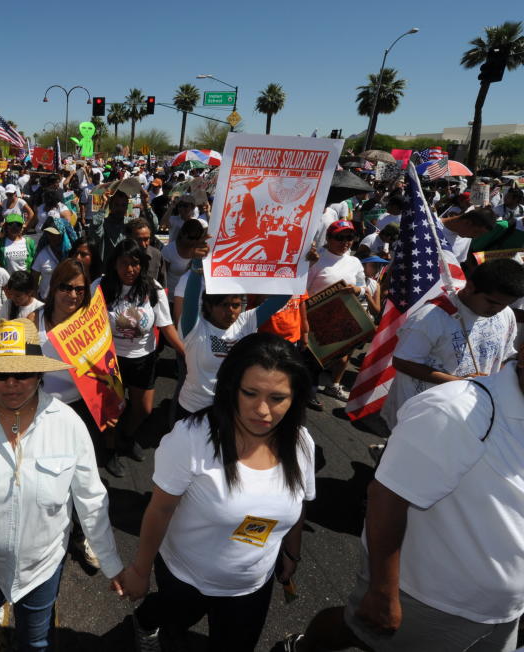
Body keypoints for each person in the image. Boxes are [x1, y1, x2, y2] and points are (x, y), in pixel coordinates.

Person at [287, 345, 524, 652]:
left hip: (505, 611)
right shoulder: (455, 411)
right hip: (433, 600)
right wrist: (382, 590)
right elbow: (387, 497)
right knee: (355, 631)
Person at [0, 319, 125, 651]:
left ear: (40, 374)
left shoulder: (68, 425)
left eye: (24, 373)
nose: (12, 384)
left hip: (43, 565)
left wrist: (111, 561)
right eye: (1, 374)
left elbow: (91, 498)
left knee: (36, 640)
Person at [117, 332, 315, 652]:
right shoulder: (191, 438)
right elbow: (160, 509)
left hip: (251, 586)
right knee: (172, 616)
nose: (263, 410)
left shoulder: (301, 443)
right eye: (250, 393)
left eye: (278, 398)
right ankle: (145, 622)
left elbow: (299, 504)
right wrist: (140, 569)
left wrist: (292, 552)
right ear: (230, 388)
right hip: (185, 576)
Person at [379, 258, 523, 430]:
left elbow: (504, 357)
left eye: (505, 304)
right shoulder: (431, 317)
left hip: (469, 413)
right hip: (420, 411)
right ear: (470, 287)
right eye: (491, 302)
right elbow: (402, 361)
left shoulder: (506, 315)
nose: (498, 309)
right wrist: (462, 383)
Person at [100, 239, 185, 478]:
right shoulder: (101, 287)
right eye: (124, 263)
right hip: (111, 361)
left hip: (144, 359)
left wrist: (186, 354)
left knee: (144, 409)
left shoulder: (153, 289)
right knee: (112, 412)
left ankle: (126, 438)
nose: (130, 269)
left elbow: (166, 325)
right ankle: (110, 450)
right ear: (114, 264)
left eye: (135, 264)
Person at [306, 220, 366, 400]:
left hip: (340, 317)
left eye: (350, 237)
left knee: (329, 358)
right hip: (313, 316)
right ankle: (306, 391)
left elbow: (365, 288)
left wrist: (356, 290)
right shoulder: (317, 258)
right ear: (329, 238)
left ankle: (316, 390)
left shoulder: (355, 262)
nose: (346, 242)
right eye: (340, 238)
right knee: (308, 357)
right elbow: (303, 288)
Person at [31, 225, 65, 300]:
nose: (51, 237)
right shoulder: (43, 254)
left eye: (54, 234)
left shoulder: (70, 253)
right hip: (45, 300)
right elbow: (35, 276)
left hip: (64, 301)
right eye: (49, 234)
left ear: (62, 235)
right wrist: (35, 296)